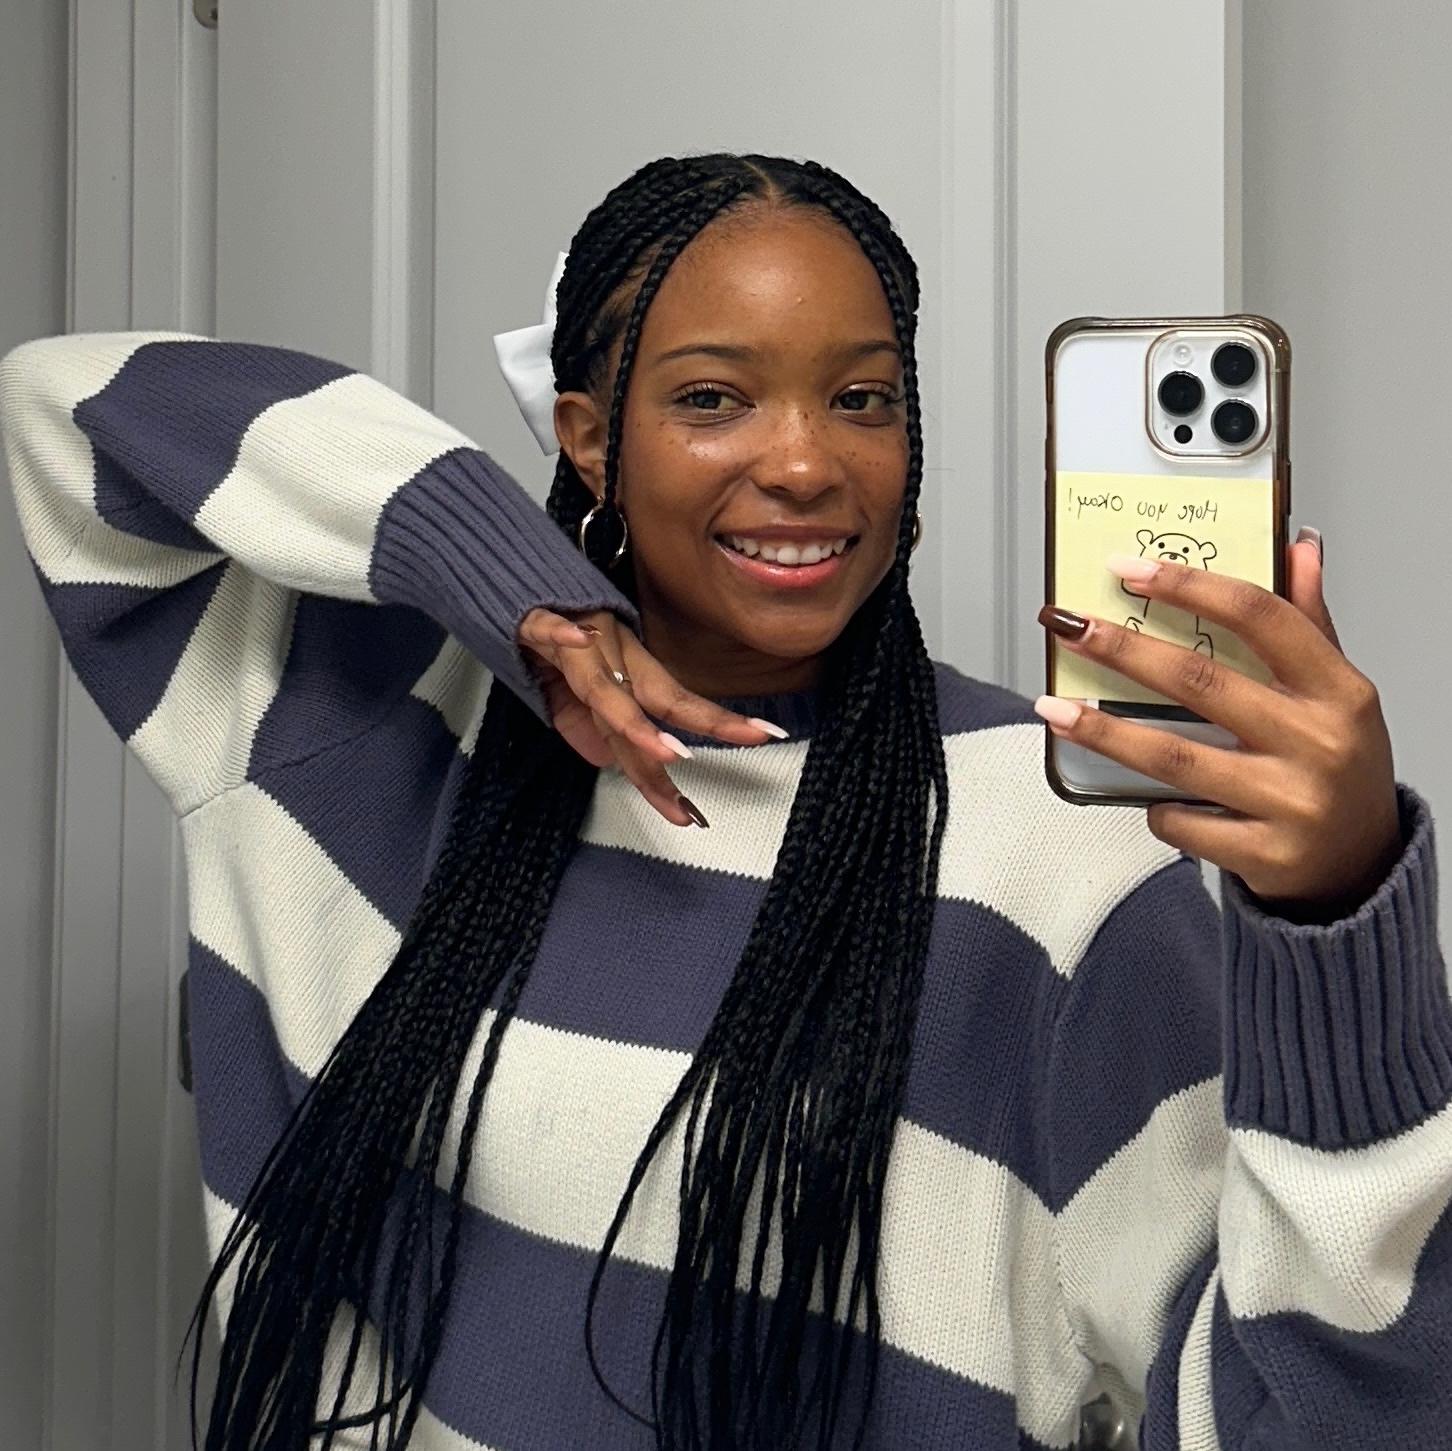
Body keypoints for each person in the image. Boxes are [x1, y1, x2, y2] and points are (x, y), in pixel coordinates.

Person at [0, 152, 1446, 1451]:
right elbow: (68, 407)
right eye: (711, 397)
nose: (807, 462)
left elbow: (1317, 1419)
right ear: (586, 437)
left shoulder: (1056, 852)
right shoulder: (364, 732)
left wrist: (1340, 915)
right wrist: (503, 582)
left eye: (863, 398)